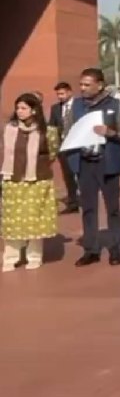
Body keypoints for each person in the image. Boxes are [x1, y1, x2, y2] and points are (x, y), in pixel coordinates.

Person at [63, 68, 120, 266]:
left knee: (113, 208)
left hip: (107, 162)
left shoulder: (114, 105)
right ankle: (91, 250)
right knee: (88, 208)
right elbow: (69, 130)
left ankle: (115, 249)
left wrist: (110, 132)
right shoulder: (77, 106)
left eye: (87, 85)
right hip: (85, 163)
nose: (82, 88)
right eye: (81, 84)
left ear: (99, 85)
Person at [1, 93, 59, 272]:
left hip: (37, 180)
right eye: (18, 108)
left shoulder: (47, 131)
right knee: (12, 221)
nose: (19, 112)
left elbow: (52, 153)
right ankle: (11, 257)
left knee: (35, 219)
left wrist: (34, 167)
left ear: (34, 110)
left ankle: (34, 256)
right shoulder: (9, 129)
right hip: (13, 179)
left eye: (24, 108)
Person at [48, 81, 78, 214]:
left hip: (78, 146)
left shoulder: (80, 106)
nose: (60, 96)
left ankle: (86, 199)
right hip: (63, 148)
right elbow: (52, 127)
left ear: (69, 92)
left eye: (62, 93)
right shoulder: (55, 108)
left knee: (82, 175)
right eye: (58, 94)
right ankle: (73, 203)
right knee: (68, 176)